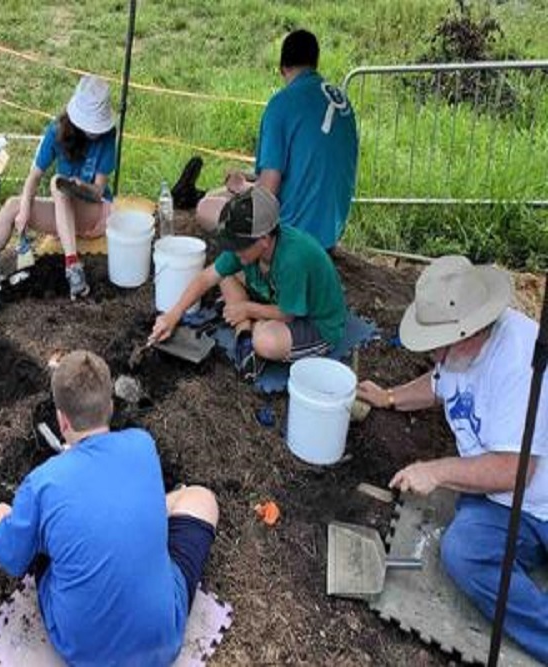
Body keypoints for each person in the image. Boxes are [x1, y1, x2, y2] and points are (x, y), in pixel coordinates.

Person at [356, 256, 547, 663]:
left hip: (536, 499)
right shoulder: (460, 352)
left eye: (442, 345)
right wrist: (390, 396)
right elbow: (442, 384)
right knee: (462, 551)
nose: (436, 357)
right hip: (499, 506)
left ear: (474, 328)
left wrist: (438, 471)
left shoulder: (520, 362)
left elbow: (515, 471)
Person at [0, 351, 219, 666]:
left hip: (83, 651)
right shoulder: (142, 443)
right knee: (202, 499)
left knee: (21, 525)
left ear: (62, 420)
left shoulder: (42, 483)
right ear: (110, 406)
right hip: (163, 641)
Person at [151, 187, 347, 379]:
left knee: (264, 341)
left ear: (264, 240)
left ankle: (252, 332)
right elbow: (206, 277)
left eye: (239, 246)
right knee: (225, 276)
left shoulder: (293, 259)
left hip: (315, 322)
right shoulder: (249, 250)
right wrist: (173, 314)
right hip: (275, 299)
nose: (235, 251)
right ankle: (244, 337)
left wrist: (247, 309)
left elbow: (287, 314)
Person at [194, 29, 358, 251]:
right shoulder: (342, 101)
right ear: (315, 63)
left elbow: (267, 192)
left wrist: (242, 185)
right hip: (329, 234)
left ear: (282, 67)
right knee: (220, 193)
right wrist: (250, 177)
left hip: (293, 232)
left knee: (205, 208)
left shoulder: (282, 104)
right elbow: (302, 167)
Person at [0, 75, 117, 299]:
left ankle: (73, 266)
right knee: (12, 206)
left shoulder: (107, 136)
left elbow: (99, 191)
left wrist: (80, 186)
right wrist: (25, 211)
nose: (96, 131)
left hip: (95, 212)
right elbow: (33, 178)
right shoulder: (56, 131)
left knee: (58, 183)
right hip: (65, 214)